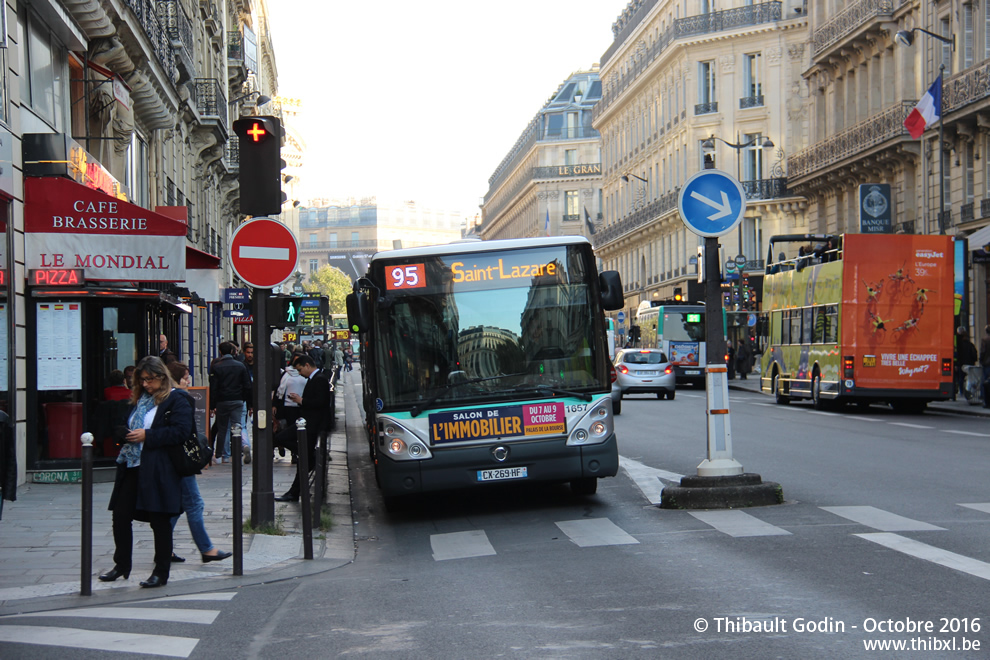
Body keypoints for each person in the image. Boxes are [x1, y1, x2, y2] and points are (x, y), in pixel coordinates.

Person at [99, 356, 188, 588]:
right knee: (120, 515)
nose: (147, 384)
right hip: (132, 465)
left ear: (162, 376)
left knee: (159, 520)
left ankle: (160, 571)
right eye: (142, 380)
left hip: (159, 468)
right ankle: (121, 565)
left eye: (151, 379)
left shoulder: (176, 399)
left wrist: (147, 436)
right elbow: (124, 422)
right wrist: (123, 433)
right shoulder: (138, 400)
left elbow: (181, 432)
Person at [165, 361, 232, 564]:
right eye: (186, 377)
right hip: (182, 461)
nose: (189, 381)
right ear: (177, 380)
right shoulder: (182, 398)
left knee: (177, 506)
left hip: (170, 460)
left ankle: (164, 547)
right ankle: (207, 549)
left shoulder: (163, 398)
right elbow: (185, 432)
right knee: (194, 504)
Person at [274, 355, 331, 502]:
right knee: (283, 440)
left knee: (301, 460)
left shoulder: (319, 379)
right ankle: (294, 491)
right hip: (307, 423)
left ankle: (294, 492)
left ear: (307, 365)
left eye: (300, 370)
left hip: (312, 425)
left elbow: (321, 402)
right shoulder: (315, 378)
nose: (299, 373)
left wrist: (301, 401)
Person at [209, 341, 251, 464]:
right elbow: (247, 385)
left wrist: (212, 405)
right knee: (239, 425)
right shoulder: (241, 366)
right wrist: (245, 400)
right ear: (233, 352)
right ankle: (243, 447)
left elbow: (214, 388)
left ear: (220, 352)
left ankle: (224, 455)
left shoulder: (217, 367)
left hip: (223, 401)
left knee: (223, 429)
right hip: (238, 400)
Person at [955, 327, 978, 401]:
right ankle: (969, 392)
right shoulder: (970, 345)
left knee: (961, 378)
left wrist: (957, 364)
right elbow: (974, 355)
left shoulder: (959, 346)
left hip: (962, 364)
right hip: (970, 364)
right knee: (970, 379)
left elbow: (958, 355)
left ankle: (961, 391)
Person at [979, 325, 990, 408]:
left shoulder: (985, 340)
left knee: (985, 383)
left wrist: (981, 360)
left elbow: (983, 352)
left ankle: (986, 401)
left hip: (987, 363)